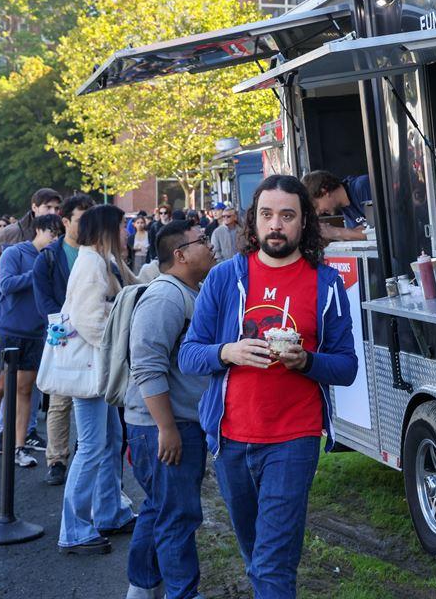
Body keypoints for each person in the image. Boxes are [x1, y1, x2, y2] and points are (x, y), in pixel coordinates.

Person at [179, 175, 357, 597]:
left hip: (293, 440)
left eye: (287, 216)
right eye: (267, 215)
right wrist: (228, 352)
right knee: (258, 557)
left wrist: (307, 361)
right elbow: (189, 354)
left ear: (303, 223)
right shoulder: (224, 279)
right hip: (231, 439)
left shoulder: (325, 283)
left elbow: (346, 367)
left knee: (273, 564)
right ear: (253, 222)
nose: (276, 224)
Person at [124, 219, 214, 599]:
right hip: (163, 426)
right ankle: (182, 593)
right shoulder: (165, 297)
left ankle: (142, 587)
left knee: (161, 508)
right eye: (202, 241)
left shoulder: (187, 290)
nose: (210, 246)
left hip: (173, 424)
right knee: (179, 516)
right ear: (180, 255)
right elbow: (146, 366)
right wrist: (167, 429)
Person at [58, 204, 136, 555]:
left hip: (99, 369)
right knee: (92, 446)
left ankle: (109, 512)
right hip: (92, 369)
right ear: (108, 228)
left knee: (109, 440)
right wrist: (122, 345)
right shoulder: (92, 263)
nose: (127, 233)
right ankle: (73, 529)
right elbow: (90, 321)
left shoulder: (102, 260)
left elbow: (134, 288)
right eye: (123, 226)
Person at [0, 214, 64, 469]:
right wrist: (38, 274)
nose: (55, 238)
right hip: (5, 329)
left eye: (59, 234)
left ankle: (19, 446)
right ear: (38, 230)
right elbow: (4, 285)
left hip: (35, 331)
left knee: (25, 391)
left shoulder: (55, 259)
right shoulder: (15, 253)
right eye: (52, 233)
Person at [33, 193, 93, 485]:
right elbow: (42, 296)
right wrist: (60, 323)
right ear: (65, 221)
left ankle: (87, 451)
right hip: (63, 334)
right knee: (60, 400)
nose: (86, 226)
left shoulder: (96, 251)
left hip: (93, 335)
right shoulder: (49, 256)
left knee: (93, 396)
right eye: (80, 220)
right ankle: (56, 458)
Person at [301, 170, 372, 242]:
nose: (317, 213)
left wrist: (333, 232)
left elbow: (377, 231)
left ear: (324, 191)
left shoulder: (362, 186)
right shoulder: (344, 208)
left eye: (316, 207)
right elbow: (362, 233)